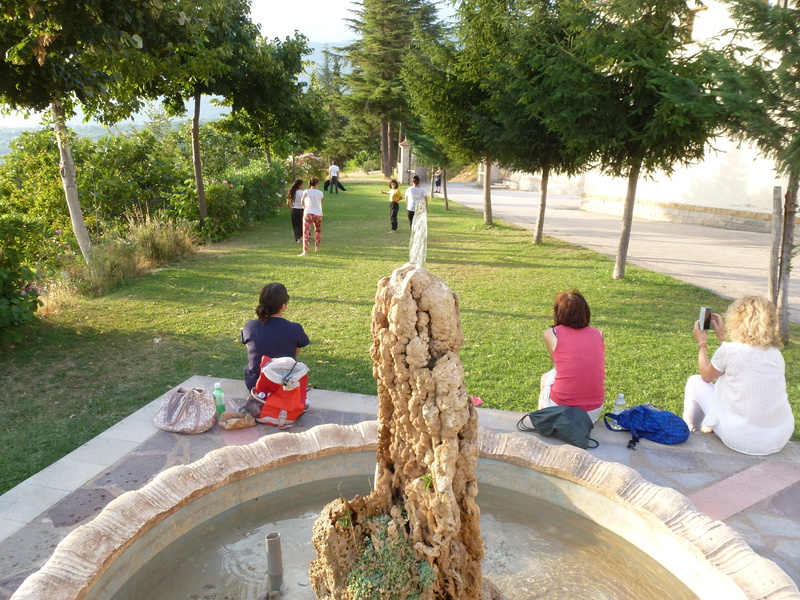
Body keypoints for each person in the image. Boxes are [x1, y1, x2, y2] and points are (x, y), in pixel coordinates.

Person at [683, 296, 793, 455]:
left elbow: (706, 376)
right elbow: (737, 359)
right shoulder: (775, 354)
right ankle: (706, 427)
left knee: (695, 381)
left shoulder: (730, 351)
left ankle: (690, 431)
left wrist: (702, 343)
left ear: (736, 320)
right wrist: (721, 337)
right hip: (778, 437)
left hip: (738, 436)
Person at [539, 290, 605, 422]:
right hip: (593, 411)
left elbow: (555, 360)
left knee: (545, 377)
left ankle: (544, 420)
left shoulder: (551, 333)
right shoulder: (598, 333)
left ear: (558, 312)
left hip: (560, 408)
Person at [241, 282, 310, 391]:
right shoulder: (295, 328)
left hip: (255, 384)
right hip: (284, 385)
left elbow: (251, 349)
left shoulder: (250, 326)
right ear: (283, 306)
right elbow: (294, 354)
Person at [299, 176, 323, 257]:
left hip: (308, 213)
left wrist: (304, 207)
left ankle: (305, 251)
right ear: (317, 184)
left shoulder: (306, 191)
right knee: (318, 230)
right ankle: (317, 247)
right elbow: (320, 200)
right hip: (318, 213)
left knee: (306, 232)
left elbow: (302, 201)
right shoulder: (320, 193)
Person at [287, 179, 304, 243]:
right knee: (302, 224)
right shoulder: (302, 192)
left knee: (296, 225)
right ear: (299, 185)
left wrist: (290, 207)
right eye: (302, 184)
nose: (303, 185)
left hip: (294, 209)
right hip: (301, 209)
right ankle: (303, 236)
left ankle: (298, 238)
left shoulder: (292, 192)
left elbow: (288, 202)